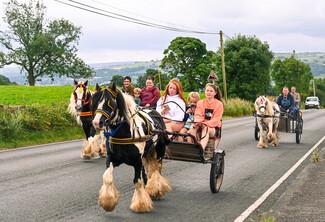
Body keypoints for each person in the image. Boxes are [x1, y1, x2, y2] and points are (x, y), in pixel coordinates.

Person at [188, 83, 224, 156]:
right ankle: (192, 146)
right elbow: (198, 115)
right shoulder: (200, 103)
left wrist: (205, 124)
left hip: (212, 128)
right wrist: (198, 122)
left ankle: (201, 148)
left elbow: (216, 119)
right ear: (204, 91)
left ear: (215, 93)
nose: (209, 92)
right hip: (200, 124)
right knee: (192, 128)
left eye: (211, 91)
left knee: (206, 129)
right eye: (207, 90)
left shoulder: (219, 104)